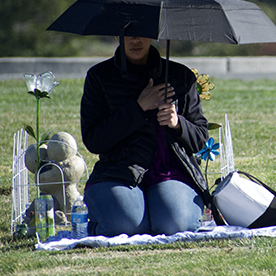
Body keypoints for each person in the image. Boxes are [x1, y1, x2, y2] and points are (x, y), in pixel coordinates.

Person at [80, 36, 209, 236]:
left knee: (174, 226)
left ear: (153, 34)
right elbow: (93, 139)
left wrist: (177, 123)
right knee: (125, 228)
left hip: (172, 172)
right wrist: (138, 108)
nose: (136, 40)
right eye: (129, 34)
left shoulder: (181, 75)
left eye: (142, 32)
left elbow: (200, 137)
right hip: (119, 172)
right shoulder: (100, 76)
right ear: (118, 35)